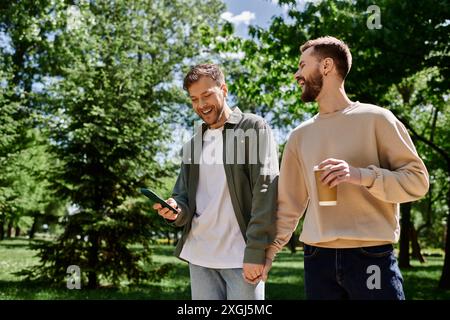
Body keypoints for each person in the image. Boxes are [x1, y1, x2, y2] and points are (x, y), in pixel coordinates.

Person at [262, 36, 429, 300]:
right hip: (317, 258)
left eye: (302, 65)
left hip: (371, 256)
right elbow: (289, 204)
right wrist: (269, 252)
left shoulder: (377, 119)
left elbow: (417, 182)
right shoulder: (299, 136)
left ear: (326, 66)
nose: (297, 74)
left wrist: (360, 176)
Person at [153, 63, 279, 300]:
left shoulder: (252, 128)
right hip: (200, 256)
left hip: (240, 257)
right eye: (194, 99)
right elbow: (184, 198)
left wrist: (256, 250)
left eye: (207, 95)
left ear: (224, 89)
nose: (201, 105)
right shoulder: (194, 143)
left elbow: (266, 190)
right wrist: (175, 210)